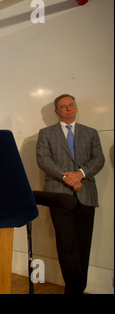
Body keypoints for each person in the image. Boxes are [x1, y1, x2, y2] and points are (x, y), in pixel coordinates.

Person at [36, 94, 105, 294]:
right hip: (59, 195)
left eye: (71, 105)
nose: (68, 109)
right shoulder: (46, 133)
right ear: (56, 111)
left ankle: (76, 289)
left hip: (86, 195)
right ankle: (74, 290)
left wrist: (80, 174)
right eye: (63, 107)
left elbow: (98, 159)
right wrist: (67, 178)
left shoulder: (91, 133)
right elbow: (43, 160)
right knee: (67, 245)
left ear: (76, 107)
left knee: (84, 245)